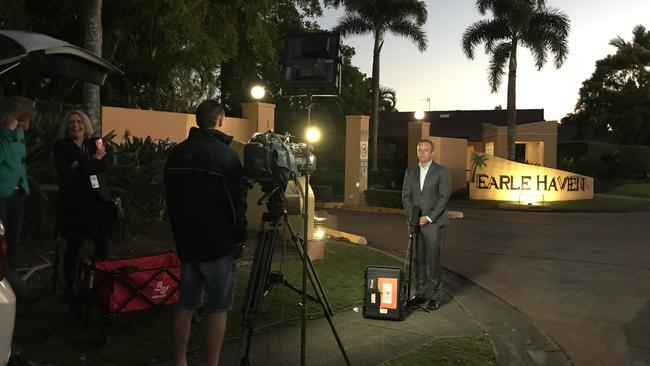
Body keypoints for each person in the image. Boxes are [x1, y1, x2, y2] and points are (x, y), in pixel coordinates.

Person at [164, 100, 247, 366]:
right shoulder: (226, 156)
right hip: (218, 246)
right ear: (220, 119)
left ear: (198, 120)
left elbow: (170, 199)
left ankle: (179, 360)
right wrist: (240, 236)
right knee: (218, 308)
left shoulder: (176, 154)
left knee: (186, 304)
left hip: (187, 244)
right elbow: (236, 207)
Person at [52, 110, 112, 299]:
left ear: (85, 124)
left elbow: (105, 165)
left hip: (96, 203)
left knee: (101, 244)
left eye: (79, 122)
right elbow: (65, 175)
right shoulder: (61, 146)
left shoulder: (94, 142)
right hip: (74, 205)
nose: (75, 125)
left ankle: (99, 285)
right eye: (71, 123)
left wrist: (80, 166)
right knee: (74, 246)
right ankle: (71, 288)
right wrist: (93, 162)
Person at [401, 139, 452, 311]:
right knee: (418, 259)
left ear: (432, 152)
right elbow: (405, 196)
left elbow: (443, 197)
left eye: (425, 150)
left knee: (433, 260)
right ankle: (421, 293)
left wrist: (429, 217)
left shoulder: (441, 172)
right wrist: (413, 216)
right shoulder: (410, 172)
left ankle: (435, 296)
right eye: (419, 149)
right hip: (415, 223)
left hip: (433, 224)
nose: (421, 152)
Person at [0, 96, 33, 296]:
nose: (22, 122)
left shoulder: (20, 132)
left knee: (13, 239)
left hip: (18, 193)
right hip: (2, 195)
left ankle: (11, 287)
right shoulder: (5, 133)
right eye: (21, 117)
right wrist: (6, 133)